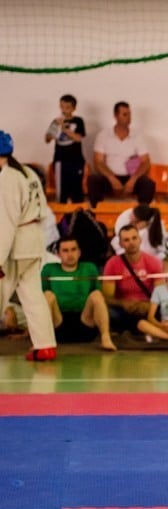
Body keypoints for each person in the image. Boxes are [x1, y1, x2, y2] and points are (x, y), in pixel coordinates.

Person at [0, 130, 58, 361]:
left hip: (16, 244)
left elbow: (6, 222)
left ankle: (45, 345)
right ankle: (45, 345)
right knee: (33, 295)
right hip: (34, 239)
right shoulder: (28, 172)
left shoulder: (7, 178)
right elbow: (42, 209)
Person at [42, 236, 116, 351]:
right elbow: (41, 301)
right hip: (57, 324)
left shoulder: (89, 268)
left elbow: (98, 298)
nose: (70, 254)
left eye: (73, 249)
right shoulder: (49, 269)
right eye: (65, 251)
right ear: (58, 254)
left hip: (85, 322)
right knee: (47, 295)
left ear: (79, 252)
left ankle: (106, 338)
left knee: (96, 295)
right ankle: (42, 341)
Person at [87, 101, 155, 207]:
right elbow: (98, 162)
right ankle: (96, 216)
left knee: (148, 184)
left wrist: (133, 179)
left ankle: (142, 216)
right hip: (109, 177)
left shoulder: (138, 136)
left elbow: (145, 162)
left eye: (129, 114)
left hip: (130, 178)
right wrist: (112, 178)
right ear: (115, 116)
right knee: (93, 180)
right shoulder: (104, 135)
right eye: (124, 114)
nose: (128, 118)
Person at [102, 224, 164, 333]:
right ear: (121, 244)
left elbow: (161, 293)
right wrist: (123, 303)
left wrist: (149, 305)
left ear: (140, 240)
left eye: (134, 238)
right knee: (107, 311)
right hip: (123, 309)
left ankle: (135, 328)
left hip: (148, 307)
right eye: (126, 240)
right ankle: (143, 328)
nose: (131, 243)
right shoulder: (112, 263)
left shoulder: (154, 262)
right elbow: (107, 297)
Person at [44, 94, 86, 204]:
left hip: (76, 160)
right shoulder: (56, 121)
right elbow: (47, 139)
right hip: (60, 161)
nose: (64, 110)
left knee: (77, 191)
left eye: (67, 107)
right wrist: (55, 128)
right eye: (62, 107)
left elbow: (78, 138)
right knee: (62, 192)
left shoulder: (78, 121)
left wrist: (65, 129)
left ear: (74, 108)